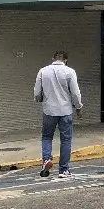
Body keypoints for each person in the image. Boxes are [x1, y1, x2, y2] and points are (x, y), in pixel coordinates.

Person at [33, 50, 82, 178]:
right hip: (65, 111)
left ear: (53, 58)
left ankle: (46, 159)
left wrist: (40, 99)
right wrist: (78, 107)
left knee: (46, 137)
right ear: (66, 59)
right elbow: (75, 93)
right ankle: (64, 170)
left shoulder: (43, 71)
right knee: (66, 140)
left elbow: (37, 92)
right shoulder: (70, 72)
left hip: (49, 110)